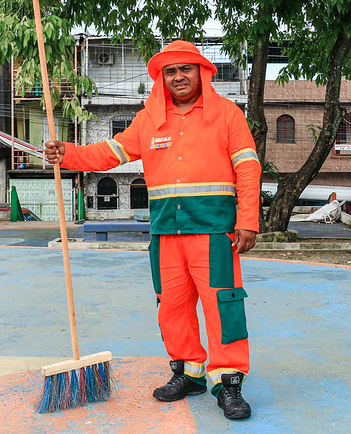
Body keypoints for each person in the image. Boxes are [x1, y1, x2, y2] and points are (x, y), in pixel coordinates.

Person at [45, 40, 261, 420]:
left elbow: (247, 168)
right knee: (171, 308)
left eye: (185, 69)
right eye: (170, 71)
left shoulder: (227, 115)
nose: (178, 76)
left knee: (222, 307)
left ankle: (228, 383)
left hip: (213, 232)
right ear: (162, 78)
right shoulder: (149, 121)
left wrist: (248, 220)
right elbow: (108, 153)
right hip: (165, 233)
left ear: (203, 72)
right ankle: (189, 372)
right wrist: (68, 153)